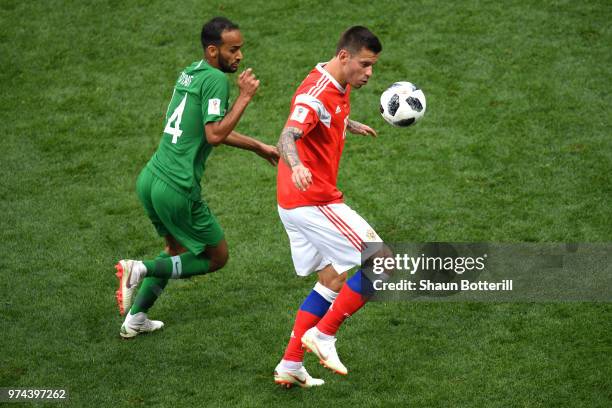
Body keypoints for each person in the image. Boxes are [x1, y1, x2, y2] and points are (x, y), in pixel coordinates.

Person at [115, 16, 279, 339]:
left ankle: (135, 319)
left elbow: (205, 130)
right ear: (213, 50)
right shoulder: (217, 80)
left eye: (240, 49)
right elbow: (215, 133)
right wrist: (245, 96)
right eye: (233, 50)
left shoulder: (191, 72)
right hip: (177, 187)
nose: (239, 56)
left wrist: (256, 146)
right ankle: (139, 269)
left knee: (174, 250)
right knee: (217, 256)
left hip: (150, 180)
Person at [273, 26, 391, 388]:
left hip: (291, 203)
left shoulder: (335, 82)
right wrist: (296, 164)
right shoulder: (316, 93)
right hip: (312, 200)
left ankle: (291, 363)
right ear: (344, 57)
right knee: (383, 262)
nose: (369, 73)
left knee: (332, 279)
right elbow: (287, 136)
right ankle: (323, 336)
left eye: (373, 66)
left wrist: (347, 123)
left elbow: (327, 112)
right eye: (365, 64)